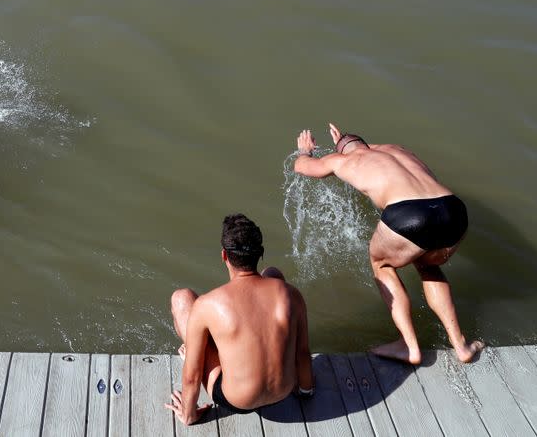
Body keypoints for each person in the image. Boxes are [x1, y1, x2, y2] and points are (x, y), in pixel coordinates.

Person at [293, 123, 484, 364]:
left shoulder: (343, 161)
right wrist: (344, 140)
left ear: (343, 152)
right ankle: (461, 346)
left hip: (411, 214)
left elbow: (303, 167)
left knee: (381, 264)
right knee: (427, 264)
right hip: (453, 210)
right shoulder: (397, 150)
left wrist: (305, 151)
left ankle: (409, 346)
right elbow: (366, 148)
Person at [165, 214, 313, 425]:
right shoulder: (292, 295)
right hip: (283, 392)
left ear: (224, 255)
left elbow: (191, 376)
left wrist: (189, 415)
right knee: (273, 274)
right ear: (260, 253)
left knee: (182, 299)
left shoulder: (208, 304)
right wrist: (305, 391)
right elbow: (302, 352)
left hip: (237, 400)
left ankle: (196, 350)